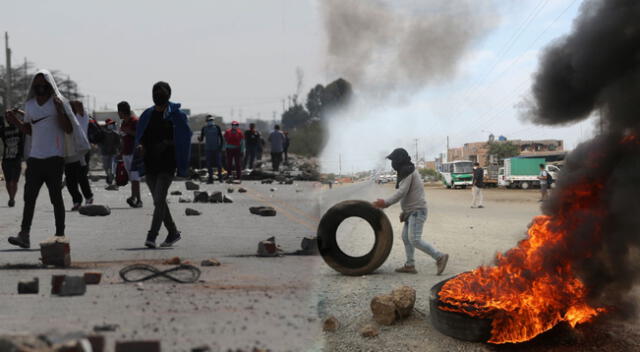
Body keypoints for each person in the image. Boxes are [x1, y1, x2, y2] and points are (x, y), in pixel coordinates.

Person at [6, 69, 90, 248]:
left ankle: (60, 234)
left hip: (54, 158)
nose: (40, 88)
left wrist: (60, 111)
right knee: (29, 197)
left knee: (55, 198)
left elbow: (68, 129)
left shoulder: (57, 103)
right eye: (37, 85)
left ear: (49, 85)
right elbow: (29, 130)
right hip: (35, 159)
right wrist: (15, 121)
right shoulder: (29, 105)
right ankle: (24, 234)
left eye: (43, 85)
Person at [372, 148, 449, 275]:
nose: (393, 163)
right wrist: (405, 211)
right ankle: (410, 265)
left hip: (417, 211)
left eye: (394, 160)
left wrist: (385, 203)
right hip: (411, 211)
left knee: (414, 239)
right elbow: (407, 194)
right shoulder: (405, 170)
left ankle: (439, 257)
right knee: (406, 238)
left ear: (399, 160)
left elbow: (402, 192)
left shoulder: (407, 171)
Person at [135, 81, 192, 248]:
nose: (157, 95)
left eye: (160, 92)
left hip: (168, 163)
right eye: (155, 91)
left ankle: (151, 236)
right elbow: (141, 137)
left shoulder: (177, 116)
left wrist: (167, 143)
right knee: (158, 202)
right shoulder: (147, 115)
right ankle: (173, 232)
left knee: (159, 199)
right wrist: (140, 146)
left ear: (168, 94)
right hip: (150, 163)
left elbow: (184, 139)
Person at [64, 100, 94, 211]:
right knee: (70, 179)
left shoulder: (82, 116)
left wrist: (66, 102)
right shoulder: (65, 118)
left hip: (82, 151)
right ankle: (77, 200)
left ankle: (88, 197)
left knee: (81, 176)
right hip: (69, 151)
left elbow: (79, 104)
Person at [118, 101, 142, 207]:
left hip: (134, 153)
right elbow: (123, 139)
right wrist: (121, 152)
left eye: (119, 111)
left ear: (123, 111)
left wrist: (128, 131)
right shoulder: (123, 122)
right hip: (126, 153)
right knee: (132, 178)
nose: (118, 114)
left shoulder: (135, 121)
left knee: (135, 177)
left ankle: (138, 199)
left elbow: (140, 135)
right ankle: (133, 197)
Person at [1, 113, 25, 207]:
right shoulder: (4, 130)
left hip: (17, 158)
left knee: (14, 181)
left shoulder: (20, 129)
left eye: (11, 117)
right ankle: (11, 197)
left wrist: (18, 111)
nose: (9, 120)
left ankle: (12, 198)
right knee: (8, 181)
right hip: (6, 159)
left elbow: (27, 119)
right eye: (7, 118)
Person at [198, 115, 224, 183]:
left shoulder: (217, 127)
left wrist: (221, 147)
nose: (210, 121)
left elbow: (221, 138)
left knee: (218, 164)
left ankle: (220, 177)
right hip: (208, 148)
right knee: (209, 164)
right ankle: (210, 178)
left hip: (216, 148)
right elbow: (201, 138)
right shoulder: (204, 128)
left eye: (211, 120)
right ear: (206, 121)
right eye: (209, 120)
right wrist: (199, 139)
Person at [98, 118, 120, 185]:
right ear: (107, 125)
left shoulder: (115, 134)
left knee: (112, 167)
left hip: (113, 153)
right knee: (106, 167)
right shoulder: (102, 134)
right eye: (110, 124)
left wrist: (116, 148)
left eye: (112, 124)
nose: (111, 125)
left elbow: (118, 143)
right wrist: (103, 147)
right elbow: (100, 142)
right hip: (105, 153)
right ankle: (109, 177)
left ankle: (111, 179)